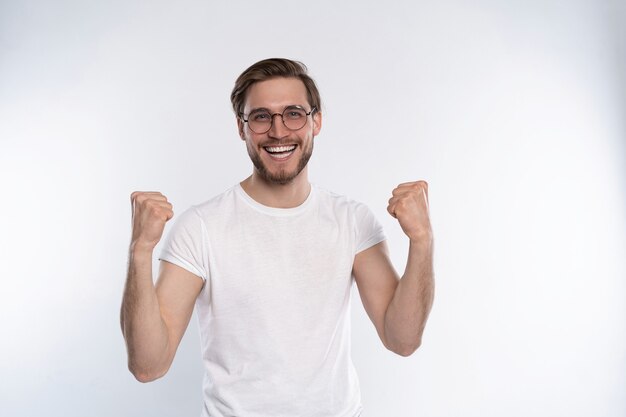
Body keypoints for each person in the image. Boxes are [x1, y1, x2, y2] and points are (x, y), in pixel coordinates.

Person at [120, 58, 434, 417]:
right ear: (242, 128)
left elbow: (402, 340)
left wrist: (422, 240)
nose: (279, 131)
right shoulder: (201, 227)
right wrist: (140, 250)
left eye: (294, 113)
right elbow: (148, 365)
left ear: (316, 121)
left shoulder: (351, 221)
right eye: (261, 117)